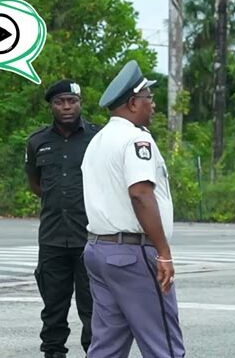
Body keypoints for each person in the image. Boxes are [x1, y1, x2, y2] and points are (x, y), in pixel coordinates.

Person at [80, 60, 185, 358]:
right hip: (133, 254)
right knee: (163, 344)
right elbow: (140, 193)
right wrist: (163, 252)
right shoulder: (136, 139)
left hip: (99, 250)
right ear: (132, 102)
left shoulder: (97, 140)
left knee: (107, 346)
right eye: (148, 98)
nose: (152, 105)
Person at [24, 79, 98, 358]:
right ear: (51, 106)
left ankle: (95, 352)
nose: (66, 107)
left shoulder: (97, 137)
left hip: (89, 237)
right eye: (59, 102)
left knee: (92, 308)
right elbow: (35, 184)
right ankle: (53, 354)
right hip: (53, 239)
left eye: (72, 101)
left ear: (80, 102)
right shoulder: (37, 141)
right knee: (53, 308)